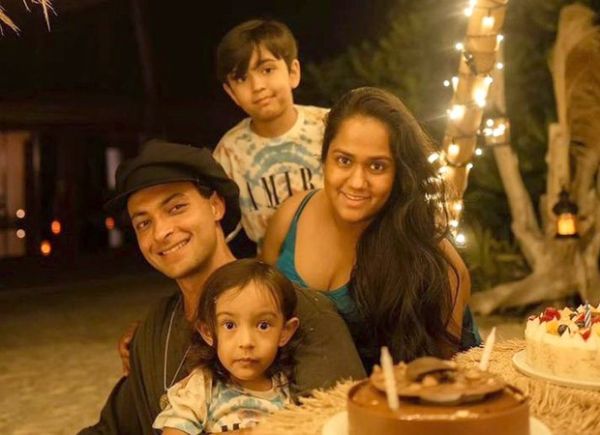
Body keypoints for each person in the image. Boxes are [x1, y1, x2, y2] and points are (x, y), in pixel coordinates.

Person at [79, 139, 365, 435]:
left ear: (215, 206)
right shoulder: (154, 331)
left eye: (176, 207)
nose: (161, 232)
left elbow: (340, 421)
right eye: (143, 223)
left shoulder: (298, 310)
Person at [262, 87, 481, 371]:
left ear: (399, 172)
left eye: (377, 166)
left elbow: (439, 378)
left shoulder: (431, 256)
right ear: (325, 157)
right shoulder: (289, 216)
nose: (357, 182)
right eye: (344, 160)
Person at [213, 18, 329, 250]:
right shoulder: (229, 153)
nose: (257, 86)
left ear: (293, 72)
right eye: (241, 78)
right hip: (273, 267)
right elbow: (215, 230)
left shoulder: (330, 126)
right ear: (231, 92)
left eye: (267, 70)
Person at [153, 259, 299, 434]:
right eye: (229, 325)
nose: (246, 342)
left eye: (263, 325)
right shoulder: (202, 386)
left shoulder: (289, 388)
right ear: (208, 332)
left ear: (284, 332)